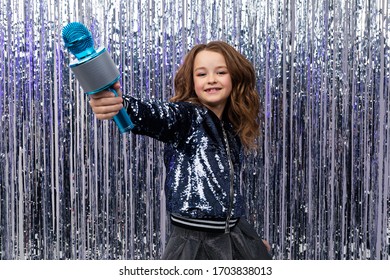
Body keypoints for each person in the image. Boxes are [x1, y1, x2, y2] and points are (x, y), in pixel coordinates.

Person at [88, 41, 271, 260]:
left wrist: (246, 240)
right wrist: (121, 104)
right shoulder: (186, 117)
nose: (211, 79)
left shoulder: (231, 125)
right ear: (192, 81)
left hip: (233, 235)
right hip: (194, 245)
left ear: (235, 77)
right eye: (201, 74)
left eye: (221, 72)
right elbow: (154, 114)